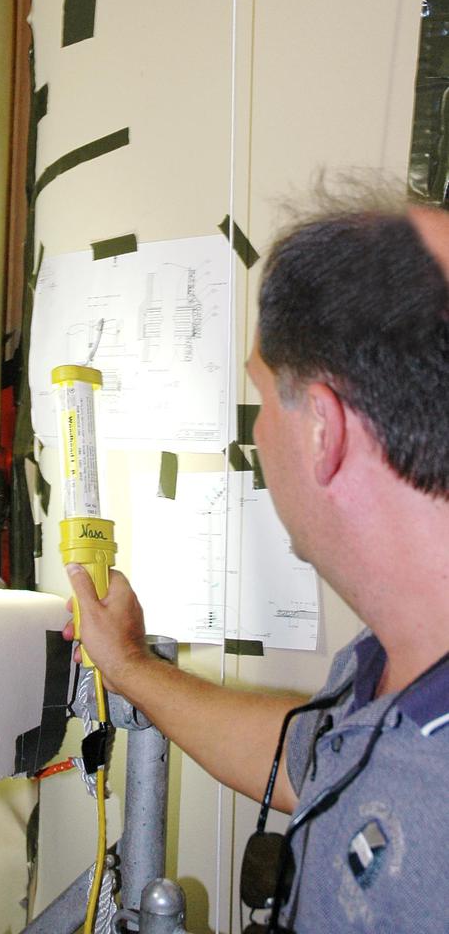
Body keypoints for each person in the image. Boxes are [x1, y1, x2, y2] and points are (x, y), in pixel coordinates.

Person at [65, 193, 449, 932]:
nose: (258, 432)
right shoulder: (395, 658)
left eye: (262, 398)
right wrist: (129, 665)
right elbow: (310, 758)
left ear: (323, 430)